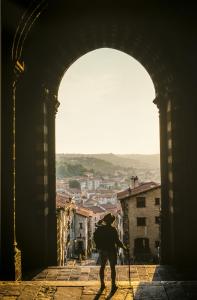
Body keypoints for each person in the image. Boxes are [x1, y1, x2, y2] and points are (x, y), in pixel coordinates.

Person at [93, 213, 127, 292]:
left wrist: (102, 220)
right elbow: (117, 241)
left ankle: (102, 284)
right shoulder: (113, 229)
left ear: (105, 221)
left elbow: (97, 226)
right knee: (112, 268)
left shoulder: (100, 228)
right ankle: (113, 285)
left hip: (102, 250)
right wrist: (124, 247)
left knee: (102, 267)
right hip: (111, 250)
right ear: (112, 221)